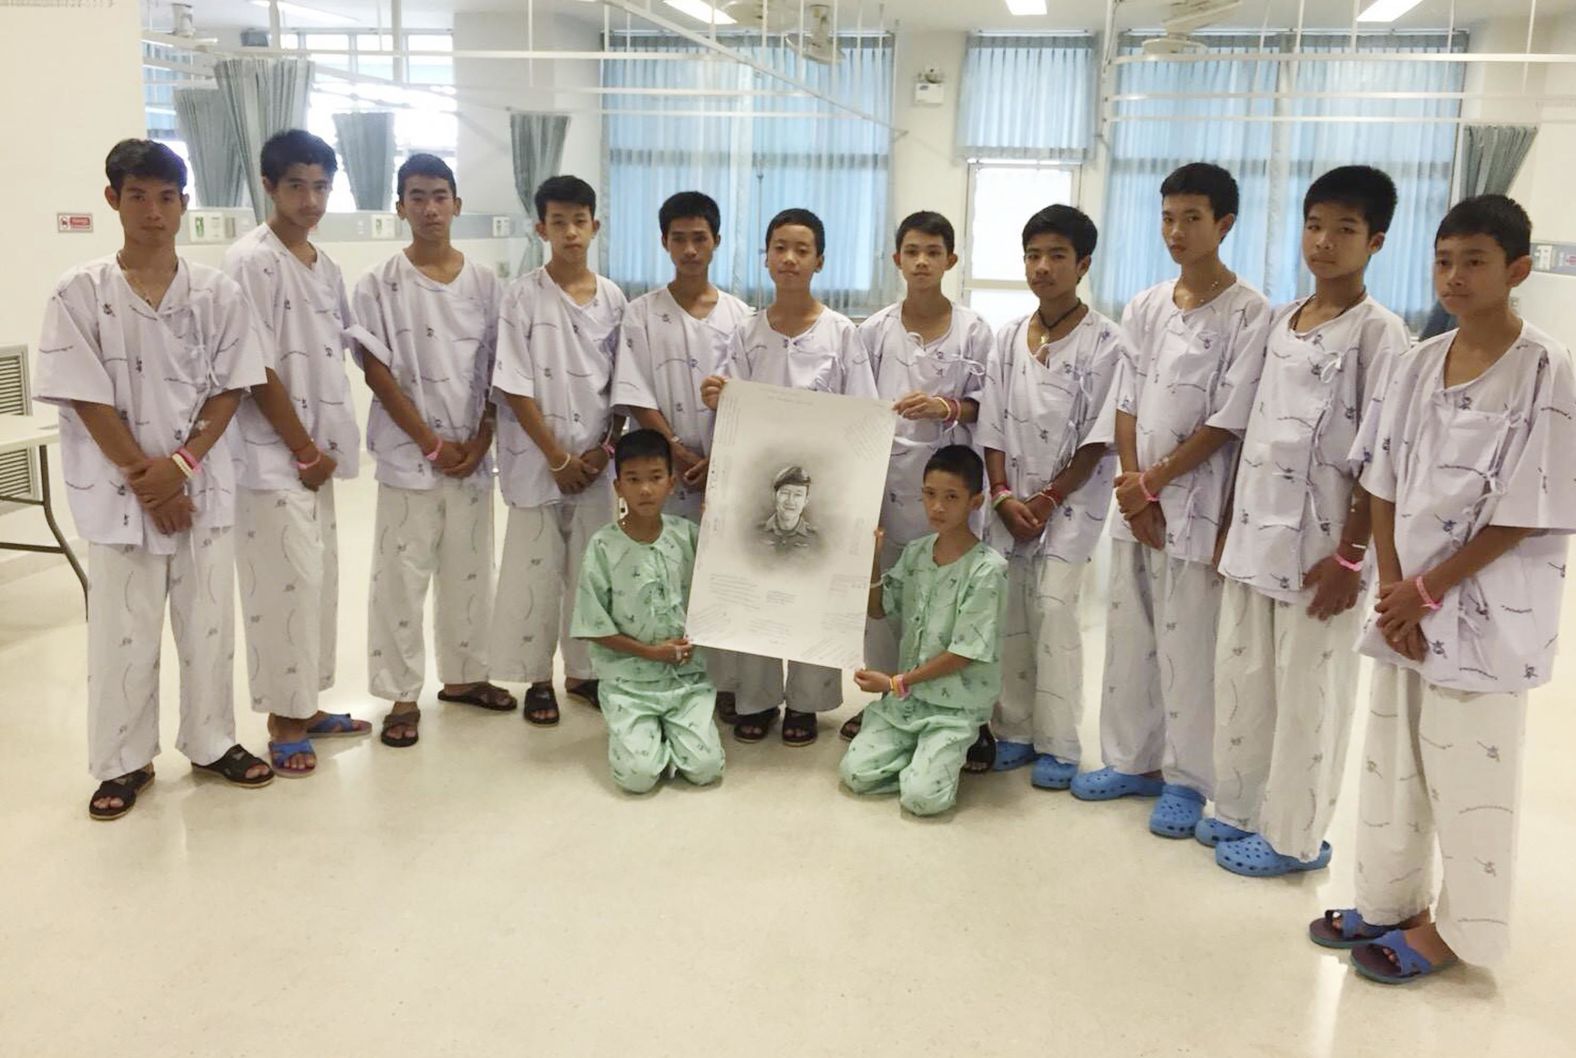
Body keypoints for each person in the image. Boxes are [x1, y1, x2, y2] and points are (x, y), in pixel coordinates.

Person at [1309, 194, 1576, 985]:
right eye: (1444, 260)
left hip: (1489, 608)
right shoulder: (1418, 361)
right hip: (1405, 607)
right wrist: (1395, 590)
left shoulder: (1548, 369)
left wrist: (1427, 592)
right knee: (1392, 763)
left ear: (1517, 270)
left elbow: (1534, 507)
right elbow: (1382, 480)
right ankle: (1388, 900)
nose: (1455, 277)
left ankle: (1460, 930)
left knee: (1471, 775)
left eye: (1475, 262)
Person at [36, 139, 272, 819]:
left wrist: (182, 467)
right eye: (137, 196)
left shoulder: (217, 293)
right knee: (122, 631)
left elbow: (232, 387)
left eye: (166, 197)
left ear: (184, 205)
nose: (153, 211)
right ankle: (122, 762)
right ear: (113, 200)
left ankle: (212, 739)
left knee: (208, 623)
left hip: (202, 489)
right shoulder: (79, 292)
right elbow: (86, 396)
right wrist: (149, 480)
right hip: (117, 495)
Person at [1201, 166, 1410, 874]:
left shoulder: (1381, 336)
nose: (1323, 242)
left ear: (1376, 241)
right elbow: (1252, 430)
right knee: (1244, 678)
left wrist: (1353, 558)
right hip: (1255, 535)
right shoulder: (1280, 321)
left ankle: (1294, 837)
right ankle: (1237, 807)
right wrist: (1229, 520)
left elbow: (1379, 460)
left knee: (1308, 697)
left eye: (1344, 230)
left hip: (1323, 551)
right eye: (1315, 225)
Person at [1068, 163, 1271, 841]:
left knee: (1190, 646)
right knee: (1131, 636)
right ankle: (1131, 760)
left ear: (1225, 225)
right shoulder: (1148, 304)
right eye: (1167, 217)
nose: (1177, 231)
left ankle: (1189, 779)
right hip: (1138, 504)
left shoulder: (1250, 312)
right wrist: (1133, 486)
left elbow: (1228, 419)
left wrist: (1154, 483)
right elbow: (1127, 399)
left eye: (1191, 217)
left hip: (1197, 503)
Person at [347, 153, 514, 750]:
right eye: (416, 196)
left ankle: (467, 676)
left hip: (472, 454)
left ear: (457, 205)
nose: (429, 207)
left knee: (470, 571)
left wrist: (480, 440)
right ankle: (399, 695)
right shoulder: (378, 284)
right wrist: (428, 442)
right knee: (401, 575)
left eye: (439, 195)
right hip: (407, 456)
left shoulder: (486, 283)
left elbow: (500, 368)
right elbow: (377, 371)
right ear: (400, 207)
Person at [699, 207, 880, 747]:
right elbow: (731, 423)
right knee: (758, 587)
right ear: (766, 256)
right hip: (759, 487)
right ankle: (755, 697)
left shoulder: (842, 334)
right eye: (779, 247)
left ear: (819, 260)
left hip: (823, 489)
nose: (790, 259)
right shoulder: (747, 333)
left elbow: (864, 416)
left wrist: (858, 501)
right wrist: (718, 399)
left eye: (802, 249)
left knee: (810, 589)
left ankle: (806, 700)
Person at [224, 129, 370, 779]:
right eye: (295, 186)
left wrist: (323, 449)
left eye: (320, 186)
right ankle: (282, 720)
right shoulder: (249, 261)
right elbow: (253, 367)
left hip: (317, 458)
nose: (310, 199)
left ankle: (305, 705)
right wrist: (303, 447)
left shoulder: (324, 265)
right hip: (271, 456)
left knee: (317, 585)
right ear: (268, 186)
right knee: (284, 589)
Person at [977, 204, 1124, 790]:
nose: (1042, 267)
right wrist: (1004, 495)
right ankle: (1013, 728)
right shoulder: (1010, 335)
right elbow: (991, 423)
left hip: (1071, 505)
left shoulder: (1108, 341)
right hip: (1010, 504)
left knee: (1056, 611)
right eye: (1034, 256)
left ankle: (1059, 744)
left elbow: (1099, 437)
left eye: (1057, 256)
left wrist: (1046, 501)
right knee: (1010, 611)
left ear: (1083, 263)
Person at [842, 210, 992, 749]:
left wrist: (945, 406)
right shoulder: (874, 330)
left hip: (947, 490)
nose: (922, 261)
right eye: (912, 251)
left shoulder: (974, 330)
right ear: (897, 259)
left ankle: (953, 705)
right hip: (884, 483)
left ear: (952, 259)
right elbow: (856, 407)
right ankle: (885, 697)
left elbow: (988, 408)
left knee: (946, 602)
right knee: (883, 595)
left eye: (933, 251)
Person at [491, 174, 627, 726]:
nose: (570, 232)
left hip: (596, 464)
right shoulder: (521, 296)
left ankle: (584, 673)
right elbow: (514, 384)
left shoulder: (615, 298)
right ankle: (537, 679)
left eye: (580, 221)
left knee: (590, 571)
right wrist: (557, 457)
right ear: (540, 227)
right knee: (536, 573)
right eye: (558, 222)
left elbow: (624, 385)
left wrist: (601, 451)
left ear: (595, 225)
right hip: (539, 463)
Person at [613, 190, 750, 722]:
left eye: (700, 238)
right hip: (662, 475)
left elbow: (748, 397)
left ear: (716, 241)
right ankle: (667, 676)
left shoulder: (740, 317)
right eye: (679, 239)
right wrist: (672, 453)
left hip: (723, 473)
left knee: (721, 578)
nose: (690, 249)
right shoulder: (641, 314)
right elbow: (634, 390)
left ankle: (728, 684)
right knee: (665, 578)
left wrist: (715, 461)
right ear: (664, 242)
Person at [840, 445, 1007, 816]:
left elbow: (964, 652)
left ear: (975, 501)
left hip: (954, 705)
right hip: (909, 702)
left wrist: (894, 683)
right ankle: (925, 752)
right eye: (929, 495)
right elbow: (879, 609)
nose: (937, 508)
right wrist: (871, 558)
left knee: (923, 799)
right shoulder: (916, 553)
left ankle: (964, 737)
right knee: (856, 775)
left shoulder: (987, 570)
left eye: (951, 497)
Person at [570, 429, 725, 793]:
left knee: (706, 770)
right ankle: (640, 736)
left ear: (671, 483)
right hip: (629, 684)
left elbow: (725, 578)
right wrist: (651, 653)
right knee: (638, 778)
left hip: (686, 681)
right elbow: (593, 624)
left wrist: (719, 525)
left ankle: (671, 735)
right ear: (618, 486)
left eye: (655, 479)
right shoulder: (603, 546)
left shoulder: (686, 535)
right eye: (633, 480)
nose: (645, 490)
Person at [757, 464, 820, 556]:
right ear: (775, 496)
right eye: (785, 493)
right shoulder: (754, 534)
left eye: (798, 495)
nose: (790, 501)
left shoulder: (817, 541)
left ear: (806, 500)